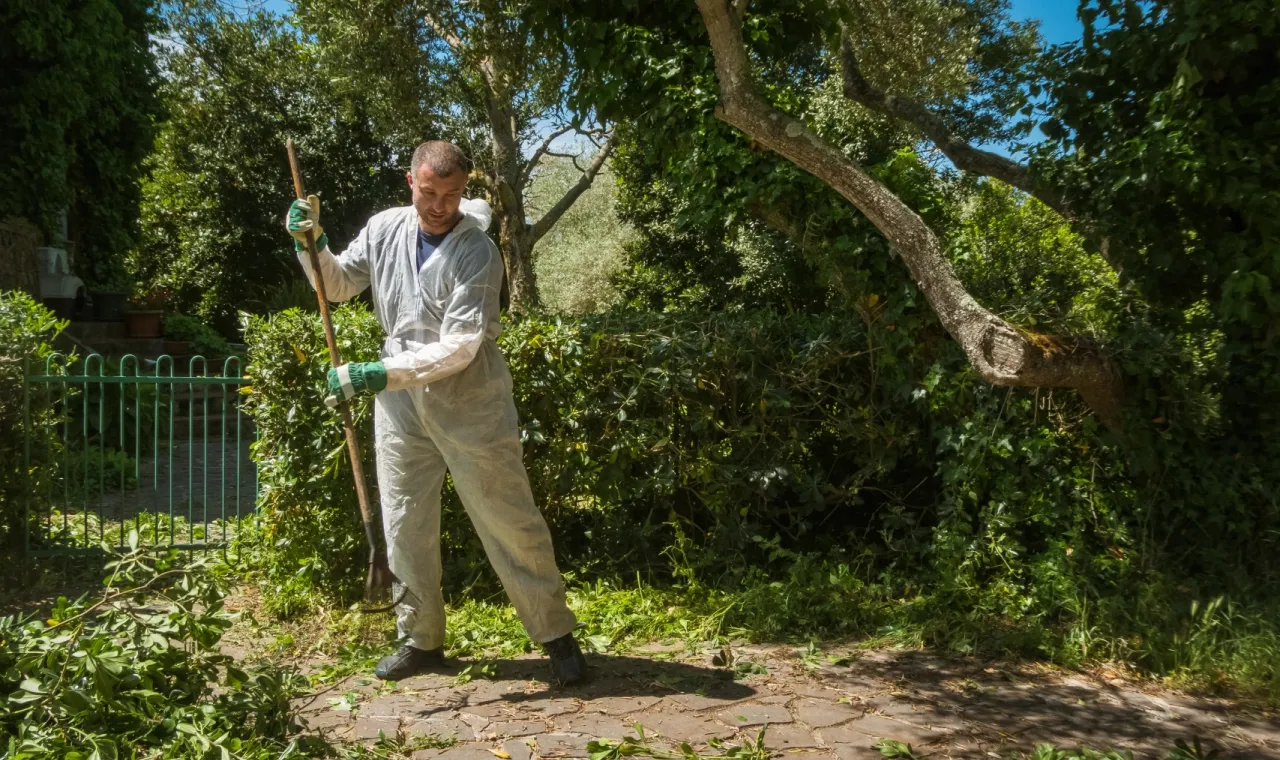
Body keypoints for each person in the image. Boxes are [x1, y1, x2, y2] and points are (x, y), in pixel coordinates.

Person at [285, 140, 586, 684]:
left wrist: (376, 374)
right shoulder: (384, 229)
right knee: (405, 521)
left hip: (471, 404)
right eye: (429, 191)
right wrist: (313, 245)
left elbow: (462, 346)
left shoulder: (478, 251)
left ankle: (556, 636)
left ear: (464, 189)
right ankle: (419, 641)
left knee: (509, 519)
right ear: (410, 182)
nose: (440, 204)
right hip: (400, 409)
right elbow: (338, 285)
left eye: (452, 194)